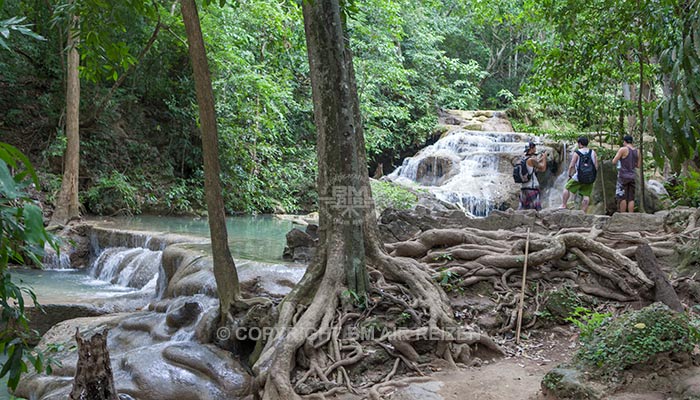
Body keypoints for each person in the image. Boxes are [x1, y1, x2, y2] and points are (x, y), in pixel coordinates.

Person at [561, 136, 597, 213]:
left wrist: (569, 175)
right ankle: (583, 212)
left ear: (580, 144)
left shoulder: (577, 153)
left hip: (578, 177)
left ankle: (563, 205)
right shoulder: (593, 152)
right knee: (586, 195)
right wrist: (593, 175)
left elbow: (571, 165)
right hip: (589, 177)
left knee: (567, 187)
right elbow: (596, 166)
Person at [612, 135, 640, 213]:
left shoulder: (623, 149)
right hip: (632, 176)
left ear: (624, 142)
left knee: (622, 196)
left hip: (623, 176)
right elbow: (638, 165)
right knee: (631, 197)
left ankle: (623, 215)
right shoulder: (637, 151)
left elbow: (614, 161)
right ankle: (631, 215)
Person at [518, 142, 547, 211]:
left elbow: (532, 167)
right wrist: (544, 158)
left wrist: (540, 159)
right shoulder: (531, 160)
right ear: (532, 148)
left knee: (523, 211)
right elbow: (543, 168)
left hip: (523, 188)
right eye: (534, 147)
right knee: (537, 211)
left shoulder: (522, 159)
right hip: (532, 188)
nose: (535, 149)